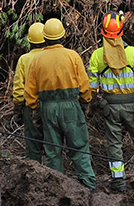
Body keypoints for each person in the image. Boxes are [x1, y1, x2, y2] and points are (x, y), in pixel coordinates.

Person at [87, 11, 134, 193]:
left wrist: (93, 103)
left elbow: (91, 86)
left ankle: (118, 182)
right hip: (131, 106)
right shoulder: (133, 53)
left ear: (103, 32)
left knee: (114, 144)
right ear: (122, 31)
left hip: (109, 108)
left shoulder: (97, 56)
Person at [24, 18, 96, 189]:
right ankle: (88, 185)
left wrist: (35, 110)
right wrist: (85, 102)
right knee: (79, 146)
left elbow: (30, 92)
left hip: (47, 109)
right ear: (63, 36)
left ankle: (56, 188)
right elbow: (85, 86)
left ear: (45, 38)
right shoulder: (73, 56)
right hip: (71, 106)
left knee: (52, 151)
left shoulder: (37, 60)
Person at [11, 22, 47, 162]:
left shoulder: (24, 59)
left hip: (30, 107)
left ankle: (34, 171)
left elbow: (19, 89)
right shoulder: (51, 57)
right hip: (50, 104)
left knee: (32, 143)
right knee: (52, 142)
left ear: (30, 41)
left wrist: (18, 109)